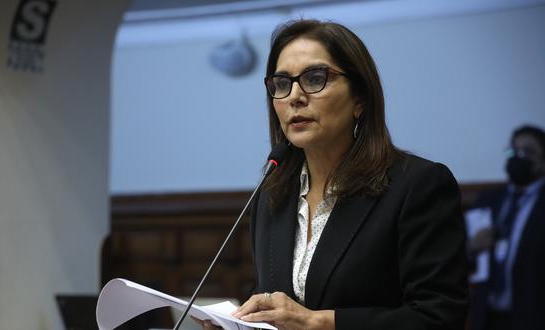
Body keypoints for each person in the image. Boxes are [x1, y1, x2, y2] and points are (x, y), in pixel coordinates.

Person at [202, 19, 469, 330]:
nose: (295, 97)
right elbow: (275, 300)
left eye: (315, 78)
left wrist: (320, 322)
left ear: (360, 98)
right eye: (282, 83)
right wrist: (239, 324)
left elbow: (439, 317)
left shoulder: (417, 185)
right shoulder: (272, 193)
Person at [468, 125, 545, 330]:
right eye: (513, 150)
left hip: (533, 319)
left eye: (527, 152)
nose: (517, 157)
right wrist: (472, 247)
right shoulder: (487, 200)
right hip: (487, 317)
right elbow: (457, 261)